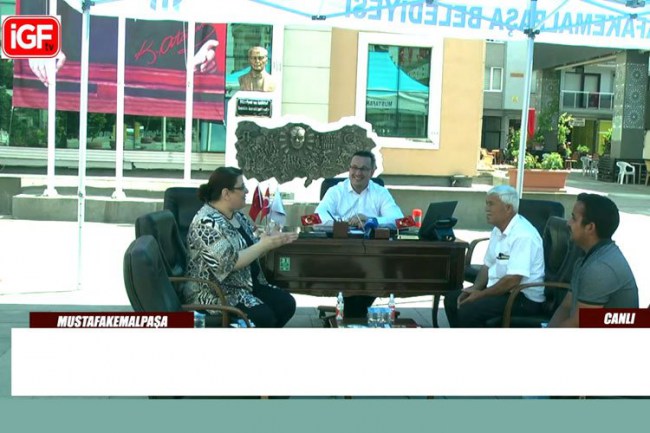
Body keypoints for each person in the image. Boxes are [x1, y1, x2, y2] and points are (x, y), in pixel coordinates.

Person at [183, 167, 298, 327]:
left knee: (286, 304)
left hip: (246, 285)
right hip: (218, 293)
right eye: (242, 187)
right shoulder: (206, 223)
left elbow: (253, 247)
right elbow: (228, 264)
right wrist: (263, 245)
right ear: (226, 193)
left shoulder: (238, 216)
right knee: (264, 317)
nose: (247, 191)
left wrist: (270, 241)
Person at [314, 150, 404, 317]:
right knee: (356, 285)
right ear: (349, 169)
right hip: (342, 253)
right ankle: (355, 316)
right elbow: (317, 218)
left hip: (372, 255)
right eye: (354, 167)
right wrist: (344, 222)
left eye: (363, 169)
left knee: (369, 279)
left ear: (372, 171)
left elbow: (398, 219)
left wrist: (371, 220)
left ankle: (353, 316)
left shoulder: (380, 192)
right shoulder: (336, 191)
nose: (358, 173)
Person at [444, 185, 545, 327]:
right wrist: (475, 288)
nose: (486, 209)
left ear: (508, 208)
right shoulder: (498, 230)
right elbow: (488, 265)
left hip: (523, 298)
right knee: (452, 299)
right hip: (503, 291)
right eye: (486, 203)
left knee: (469, 309)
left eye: (491, 204)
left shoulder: (523, 235)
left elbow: (513, 280)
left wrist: (481, 295)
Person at [549, 193, 638, 327]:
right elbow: (566, 306)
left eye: (573, 218)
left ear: (590, 227)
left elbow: (578, 324)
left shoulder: (600, 268)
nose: (568, 223)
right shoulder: (586, 257)